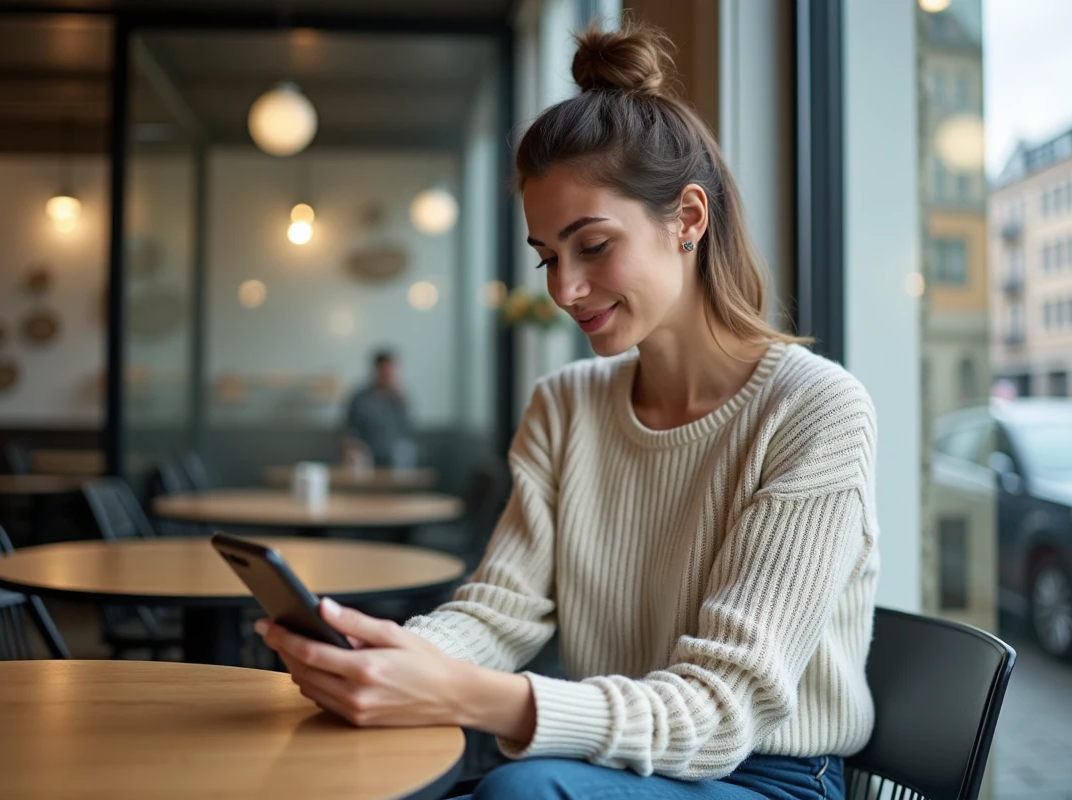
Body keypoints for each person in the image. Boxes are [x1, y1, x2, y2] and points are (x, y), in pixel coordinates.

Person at [257, 20, 878, 800]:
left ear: (687, 218)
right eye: (548, 256)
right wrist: (390, 656)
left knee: (518, 792)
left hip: (766, 775)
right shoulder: (565, 404)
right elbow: (498, 612)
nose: (563, 289)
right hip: (603, 760)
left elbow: (723, 712)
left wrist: (461, 695)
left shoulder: (815, 410)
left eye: (592, 246)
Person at [339, 349, 415, 468]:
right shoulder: (360, 398)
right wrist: (351, 448)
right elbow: (348, 430)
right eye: (384, 371)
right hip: (366, 457)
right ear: (376, 370)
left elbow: (408, 431)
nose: (388, 375)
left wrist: (401, 401)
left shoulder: (399, 399)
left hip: (395, 458)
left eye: (391, 371)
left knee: (405, 452)